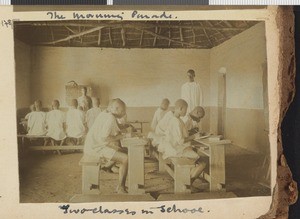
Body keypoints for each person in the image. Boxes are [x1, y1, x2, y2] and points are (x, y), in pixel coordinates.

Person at [84, 98, 128, 194]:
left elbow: (113, 129)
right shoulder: (110, 117)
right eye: (122, 111)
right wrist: (123, 135)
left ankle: (107, 167)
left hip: (93, 145)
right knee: (125, 158)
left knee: (120, 149)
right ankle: (120, 187)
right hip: (95, 148)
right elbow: (105, 138)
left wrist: (124, 129)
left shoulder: (104, 113)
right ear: (116, 109)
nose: (124, 113)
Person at [160, 99, 206, 184]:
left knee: (196, 156)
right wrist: (194, 136)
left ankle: (187, 179)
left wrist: (192, 135)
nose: (186, 111)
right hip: (176, 150)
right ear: (180, 108)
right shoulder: (176, 121)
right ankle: (187, 182)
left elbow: (182, 135)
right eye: (186, 109)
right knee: (202, 162)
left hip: (174, 148)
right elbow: (181, 141)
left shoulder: (176, 119)